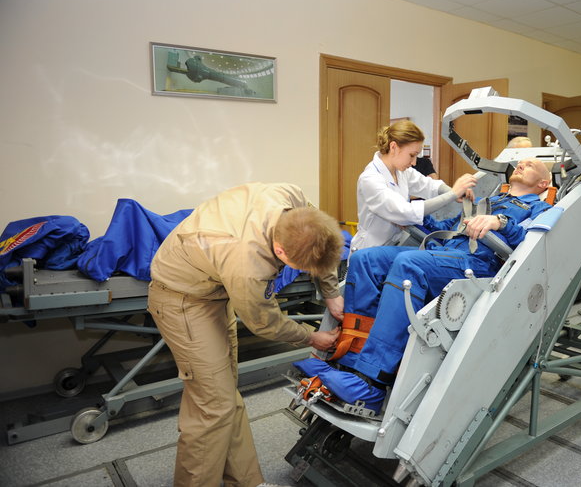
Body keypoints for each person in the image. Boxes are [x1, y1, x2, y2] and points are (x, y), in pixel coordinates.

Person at [296, 158, 553, 413]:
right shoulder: (492, 198)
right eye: (521, 163)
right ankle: (347, 359)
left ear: (544, 183)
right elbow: (445, 228)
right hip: (446, 252)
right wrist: (411, 212)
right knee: (366, 259)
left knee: (409, 264)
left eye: (530, 166)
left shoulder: (540, 208)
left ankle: (370, 381)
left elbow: (530, 242)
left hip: (477, 264)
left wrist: (500, 223)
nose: (521, 165)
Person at [148, 182, 344, 487]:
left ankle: (246, 482)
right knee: (213, 406)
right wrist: (311, 336)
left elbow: (321, 239)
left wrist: (331, 292)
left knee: (226, 396)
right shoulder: (248, 262)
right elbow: (264, 322)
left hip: (213, 290)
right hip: (182, 300)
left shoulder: (290, 197)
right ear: (280, 251)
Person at [351, 120, 476, 252]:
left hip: (394, 246)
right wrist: (453, 194)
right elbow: (407, 212)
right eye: (412, 155)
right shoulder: (370, 179)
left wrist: (455, 191)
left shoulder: (402, 172)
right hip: (370, 250)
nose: (414, 162)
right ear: (393, 147)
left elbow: (430, 185)